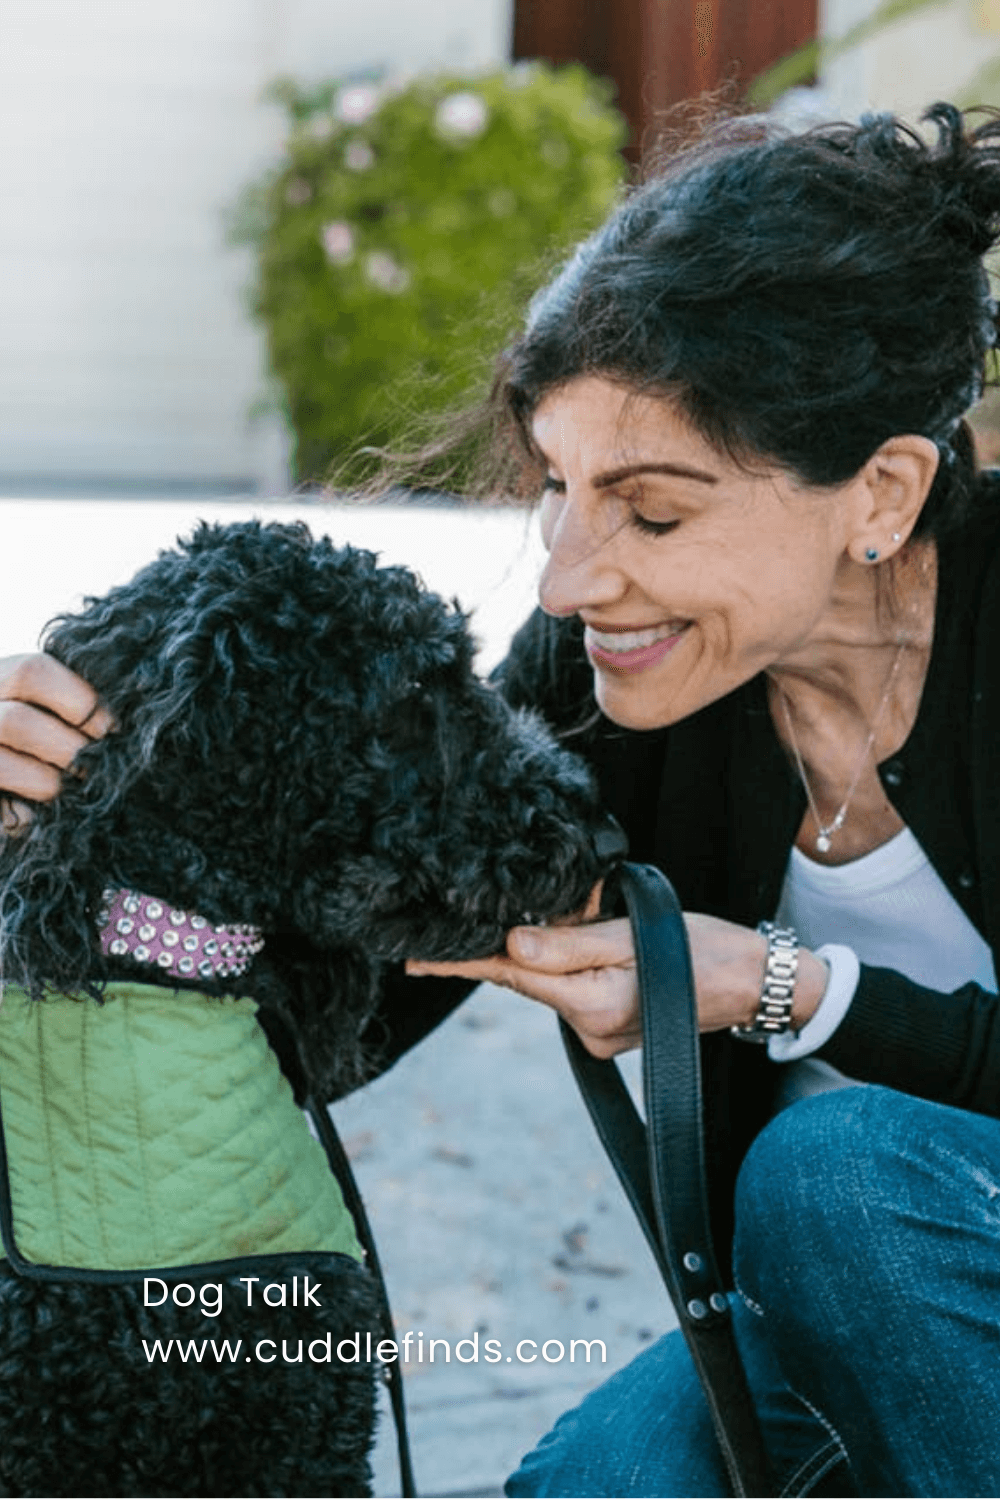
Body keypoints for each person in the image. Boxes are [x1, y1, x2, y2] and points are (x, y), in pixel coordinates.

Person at [4, 102, 1000, 1495]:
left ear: (882, 492)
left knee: (834, 1175)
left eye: (651, 512)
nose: (569, 576)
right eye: (557, 488)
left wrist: (794, 990)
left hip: (904, 1241)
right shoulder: (607, 679)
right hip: (830, 1321)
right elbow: (324, 1027)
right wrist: (86, 811)